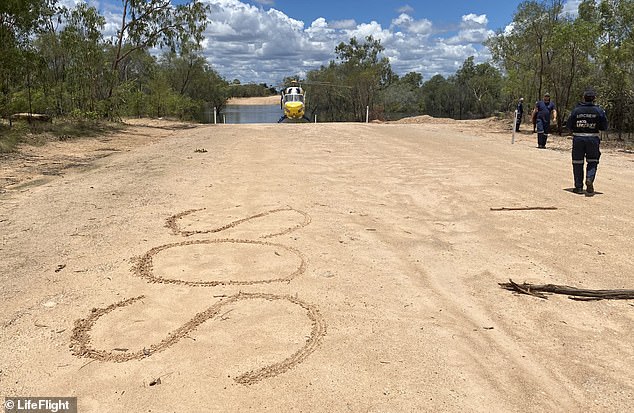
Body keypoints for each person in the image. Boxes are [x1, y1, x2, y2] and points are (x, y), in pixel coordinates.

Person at [566, 88, 608, 195]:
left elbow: (569, 125)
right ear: (594, 99)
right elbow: (604, 126)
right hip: (593, 139)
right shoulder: (599, 110)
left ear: (584, 98)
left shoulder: (576, 110)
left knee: (577, 162)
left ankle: (579, 187)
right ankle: (589, 178)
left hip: (578, 139)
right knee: (593, 161)